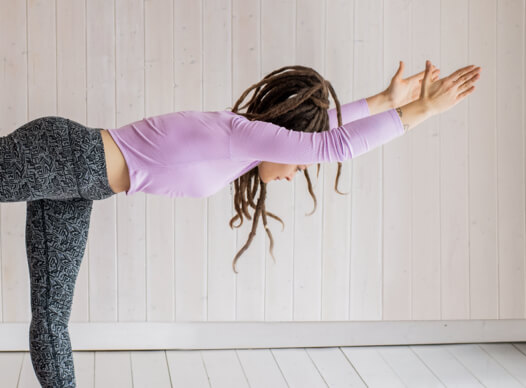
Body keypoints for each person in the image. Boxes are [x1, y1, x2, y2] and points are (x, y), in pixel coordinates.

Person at [0, 60, 480, 387]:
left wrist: (380, 100)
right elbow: (329, 145)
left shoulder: (245, 143)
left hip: (80, 188)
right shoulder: (240, 134)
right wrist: (422, 110)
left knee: (50, 319)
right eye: (298, 162)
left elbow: (318, 133)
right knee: (51, 318)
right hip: (61, 155)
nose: (294, 172)